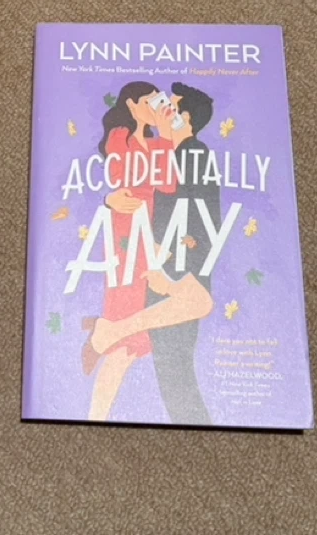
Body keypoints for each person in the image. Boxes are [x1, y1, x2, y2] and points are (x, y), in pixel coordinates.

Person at [80, 81, 173, 421]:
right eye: (151, 101)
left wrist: (166, 135)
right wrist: (109, 199)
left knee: (133, 338)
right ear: (132, 105)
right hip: (126, 230)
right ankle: (96, 414)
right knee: (127, 336)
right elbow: (119, 176)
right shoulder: (120, 136)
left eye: (159, 102)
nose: (157, 107)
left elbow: (168, 184)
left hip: (150, 229)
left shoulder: (155, 142)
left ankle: (101, 333)